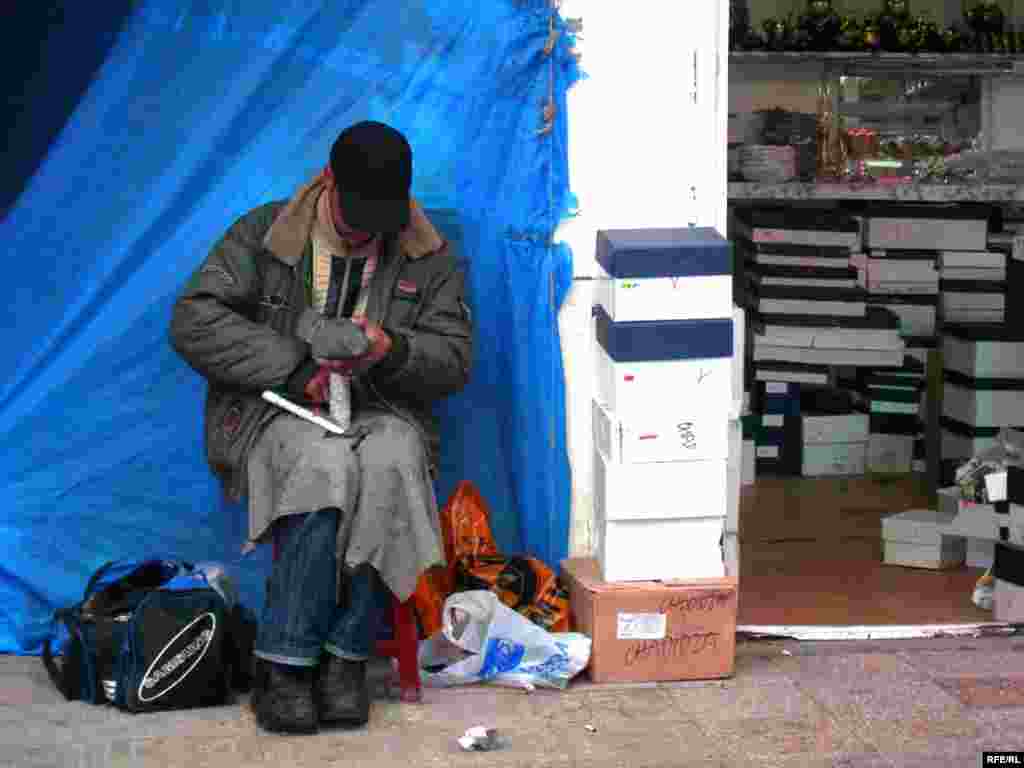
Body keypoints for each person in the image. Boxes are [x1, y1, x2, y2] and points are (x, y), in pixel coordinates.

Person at [170, 121, 473, 734]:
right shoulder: (265, 234)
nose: (366, 232)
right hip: (279, 411)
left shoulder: (427, 252)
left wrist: (394, 351)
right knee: (328, 465)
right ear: (328, 179)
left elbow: (456, 358)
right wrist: (294, 365)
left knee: (389, 459)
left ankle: (344, 662)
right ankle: (284, 664)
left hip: (383, 408)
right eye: (356, 213)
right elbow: (194, 321)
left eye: (380, 219)